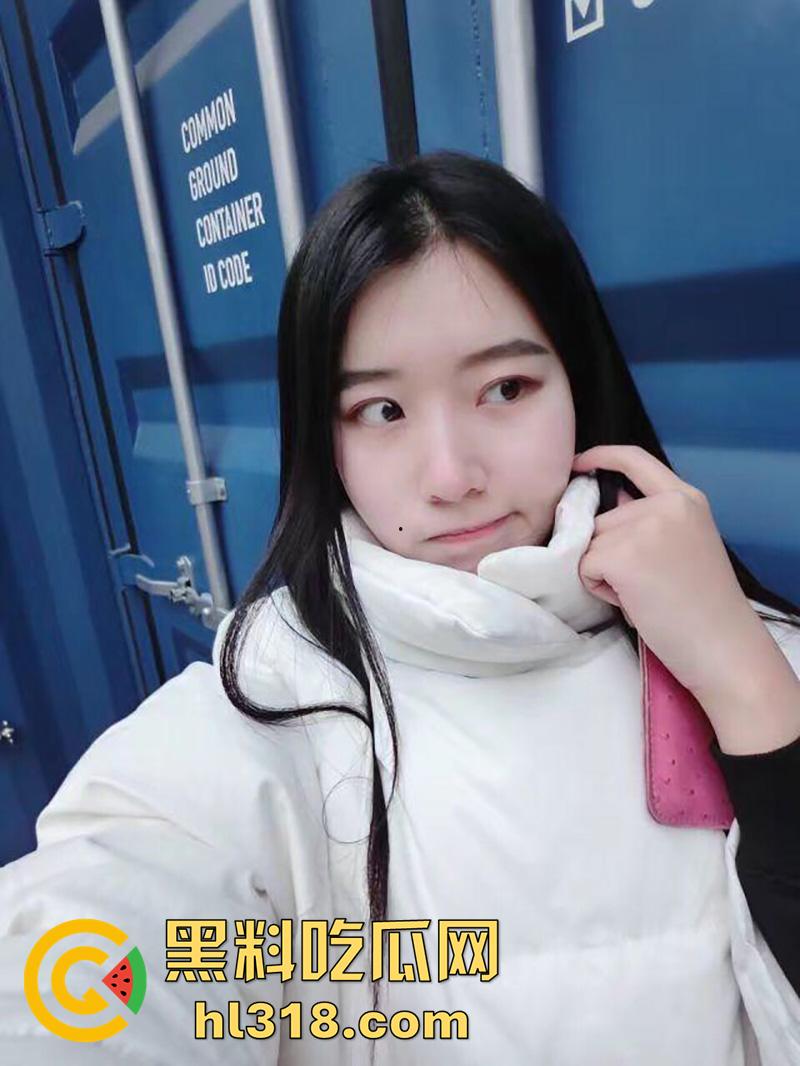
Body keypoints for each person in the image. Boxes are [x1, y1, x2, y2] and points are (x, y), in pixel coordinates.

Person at [1, 150, 799, 1066]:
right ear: (326, 440)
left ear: (580, 382)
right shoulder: (275, 702)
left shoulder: (738, 643)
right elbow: (96, 945)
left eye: (506, 389)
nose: (452, 476)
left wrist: (746, 679)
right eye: (382, 411)